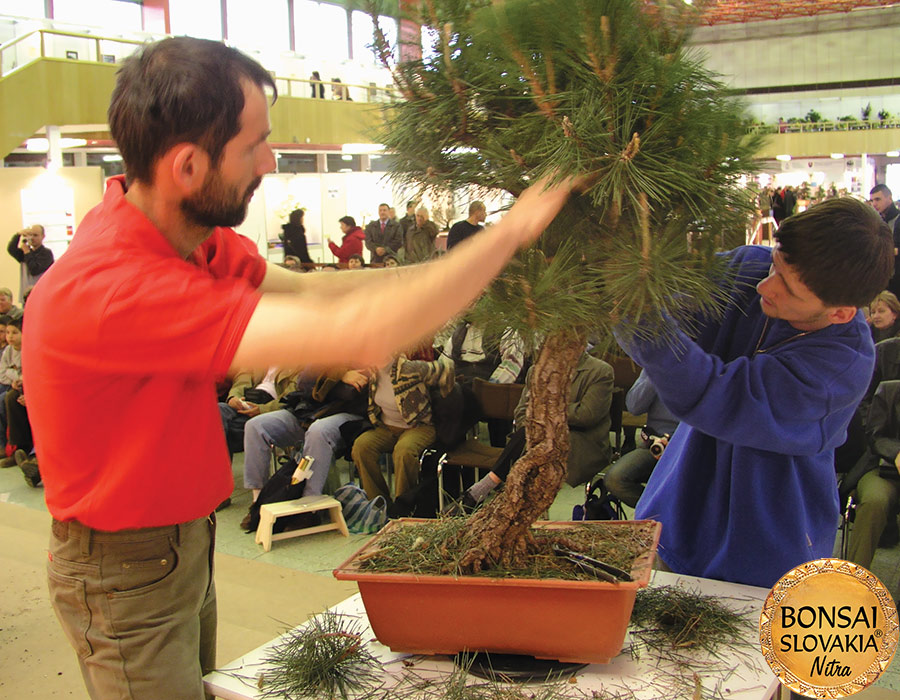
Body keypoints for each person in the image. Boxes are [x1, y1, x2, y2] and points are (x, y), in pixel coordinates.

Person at [22, 36, 572, 700]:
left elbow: (320, 291)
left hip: (178, 542)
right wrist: (510, 234)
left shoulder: (186, 239)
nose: (271, 160)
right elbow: (362, 329)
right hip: (125, 565)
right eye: (254, 145)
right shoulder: (119, 288)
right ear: (188, 166)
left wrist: (454, 263)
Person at [616, 197, 893, 588]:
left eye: (788, 288)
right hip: (673, 519)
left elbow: (716, 395)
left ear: (840, 313)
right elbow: (667, 301)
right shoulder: (750, 268)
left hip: (762, 554)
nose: (766, 285)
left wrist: (631, 308)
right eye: (775, 264)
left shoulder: (840, 367)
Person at [460, 349, 614, 506]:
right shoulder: (536, 370)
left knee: (526, 444)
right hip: (537, 439)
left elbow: (586, 415)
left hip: (581, 442)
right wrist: (539, 426)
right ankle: (502, 501)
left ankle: (485, 488)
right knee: (528, 441)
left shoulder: (600, 371)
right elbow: (521, 412)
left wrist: (543, 410)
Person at [239, 366, 369, 529]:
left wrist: (326, 379)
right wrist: (339, 375)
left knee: (318, 431)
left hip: (348, 414)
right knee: (255, 426)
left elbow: (357, 389)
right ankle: (259, 502)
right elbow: (305, 381)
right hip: (309, 411)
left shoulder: (366, 350)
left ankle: (309, 509)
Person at [352, 352, 454, 502]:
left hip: (419, 426)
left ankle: (404, 504)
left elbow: (447, 369)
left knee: (404, 451)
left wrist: (445, 400)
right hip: (387, 427)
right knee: (361, 447)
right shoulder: (372, 371)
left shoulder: (409, 368)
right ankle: (379, 503)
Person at [603, 369, 679, 507]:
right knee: (615, 479)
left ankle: (672, 514)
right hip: (655, 444)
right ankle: (658, 511)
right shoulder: (656, 364)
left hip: (689, 445)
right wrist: (655, 372)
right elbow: (634, 407)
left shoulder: (702, 364)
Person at [845, 380, 900, 569]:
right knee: (874, 501)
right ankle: (854, 580)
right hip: (885, 470)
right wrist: (897, 453)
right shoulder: (889, 390)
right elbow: (875, 435)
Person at [7, 224, 53, 302]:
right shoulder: (25, 252)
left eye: (35, 235)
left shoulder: (46, 253)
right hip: (26, 296)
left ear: (43, 236)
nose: (32, 238)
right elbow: (11, 249)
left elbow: (34, 270)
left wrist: (27, 252)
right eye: (30, 235)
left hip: (41, 295)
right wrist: (18, 234)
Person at [871, 184, 900, 298]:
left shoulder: (897, 220)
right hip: (882, 278)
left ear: (889, 198)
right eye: (872, 200)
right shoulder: (877, 221)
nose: (874, 204)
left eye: (878, 199)